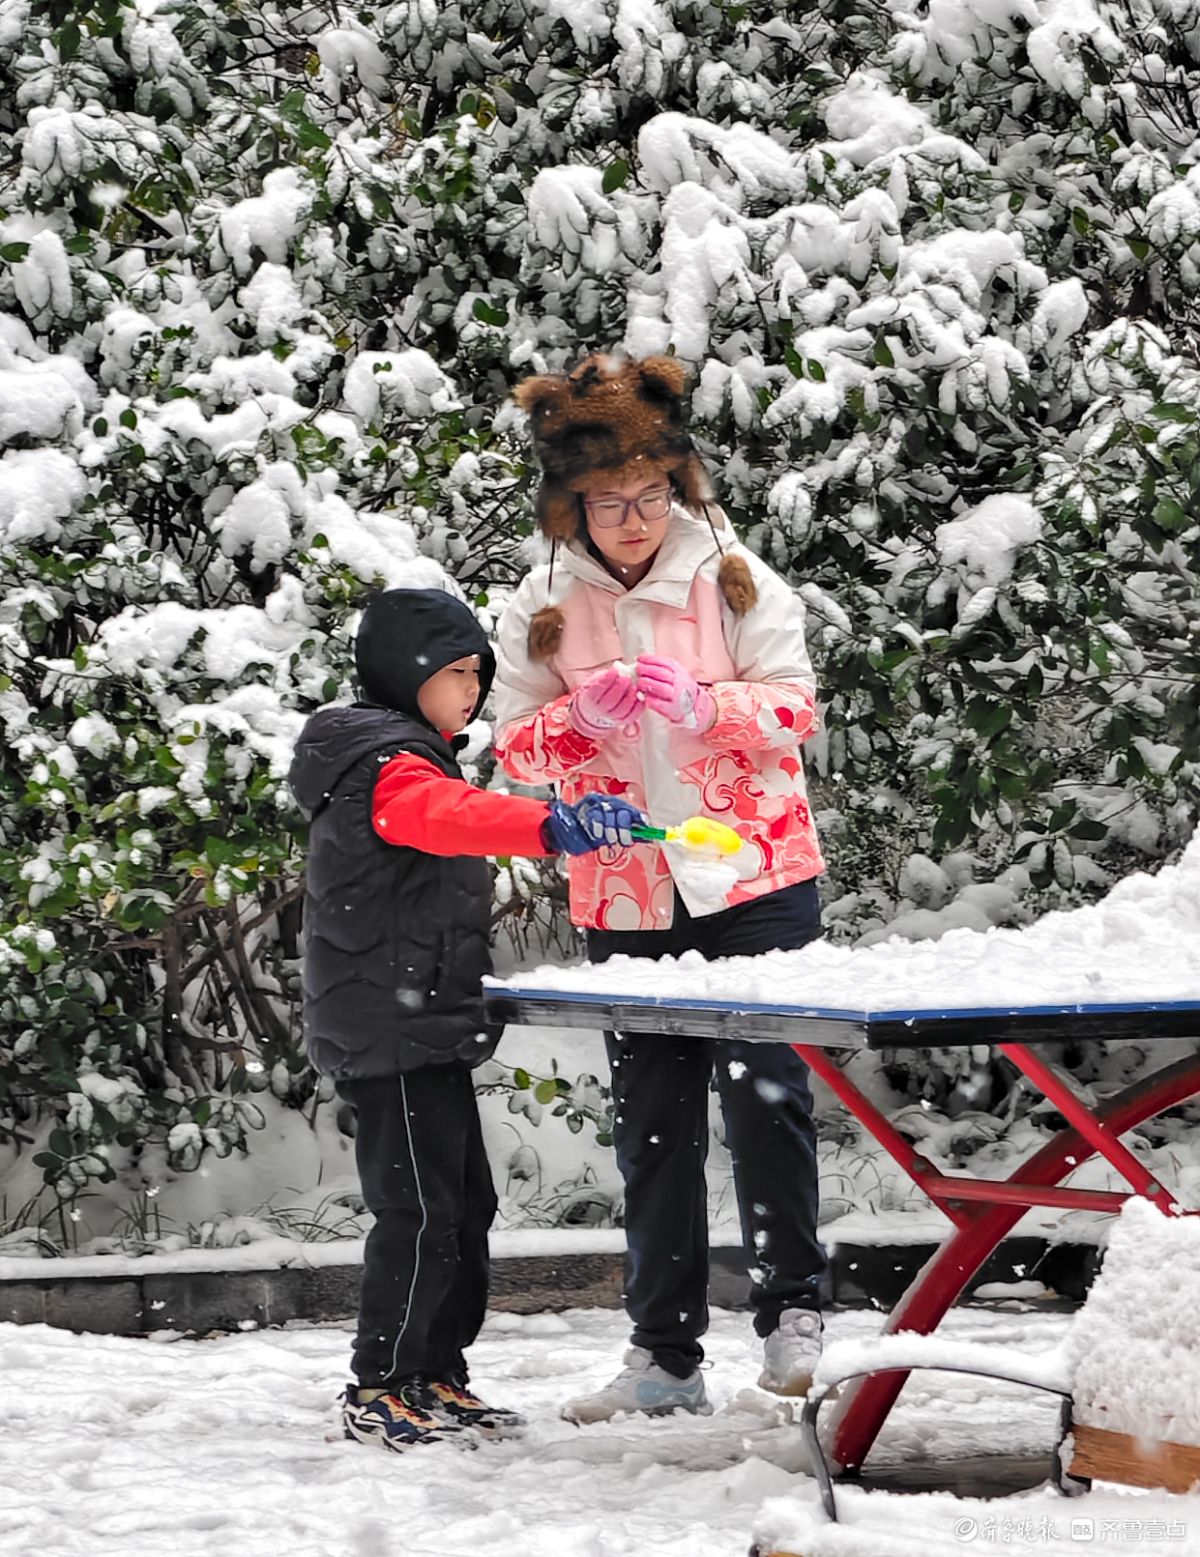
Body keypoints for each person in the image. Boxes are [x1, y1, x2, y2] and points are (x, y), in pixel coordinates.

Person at [492, 352, 828, 1423]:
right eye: (608, 502)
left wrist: (706, 704)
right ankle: (664, 1354)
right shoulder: (543, 602)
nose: (632, 520)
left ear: (674, 484)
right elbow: (512, 746)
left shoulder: (734, 576)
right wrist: (576, 720)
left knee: (768, 1101)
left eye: (647, 495)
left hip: (755, 876)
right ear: (571, 504)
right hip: (627, 887)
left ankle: (794, 1314)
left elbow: (796, 707)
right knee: (652, 1123)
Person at [288, 585, 644, 1453]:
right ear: (405, 674)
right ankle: (380, 1383)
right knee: (419, 1211)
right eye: (456, 672)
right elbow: (448, 818)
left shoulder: (411, 756)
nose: (473, 689)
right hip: (390, 1027)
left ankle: (434, 1373)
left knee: (461, 1204)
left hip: (422, 1024)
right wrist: (553, 825)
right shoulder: (385, 764)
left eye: (480, 673)